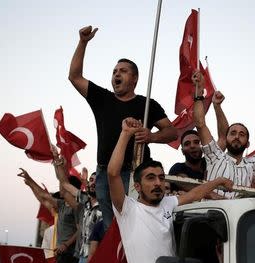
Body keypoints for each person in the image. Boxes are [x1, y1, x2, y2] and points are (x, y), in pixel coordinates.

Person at [107, 117, 234, 263]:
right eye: (150, 178)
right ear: (137, 187)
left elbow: (194, 195)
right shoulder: (127, 208)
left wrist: (219, 181)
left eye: (161, 177)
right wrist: (126, 134)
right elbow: (112, 173)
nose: (158, 183)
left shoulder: (168, 202)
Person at [68, 25, 178, 231]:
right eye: (114, 72)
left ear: (134, 78)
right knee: (112, 228)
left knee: (135, 225)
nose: (116, 75)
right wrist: (83, 43)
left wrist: (151, 136)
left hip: (136, 173)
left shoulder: (147, 105)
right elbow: (74, 77)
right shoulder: (103, 99)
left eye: (123, 71)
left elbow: (172, 132)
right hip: (104, 174)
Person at [17, 168, 80, 263]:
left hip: (70, 256)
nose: (61, 187)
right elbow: (43, 196)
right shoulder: (61, 205)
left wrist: (66, 244)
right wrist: (30, 181)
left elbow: (80, 230)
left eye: (64, 185)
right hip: (60, 255)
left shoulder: (77, 207)